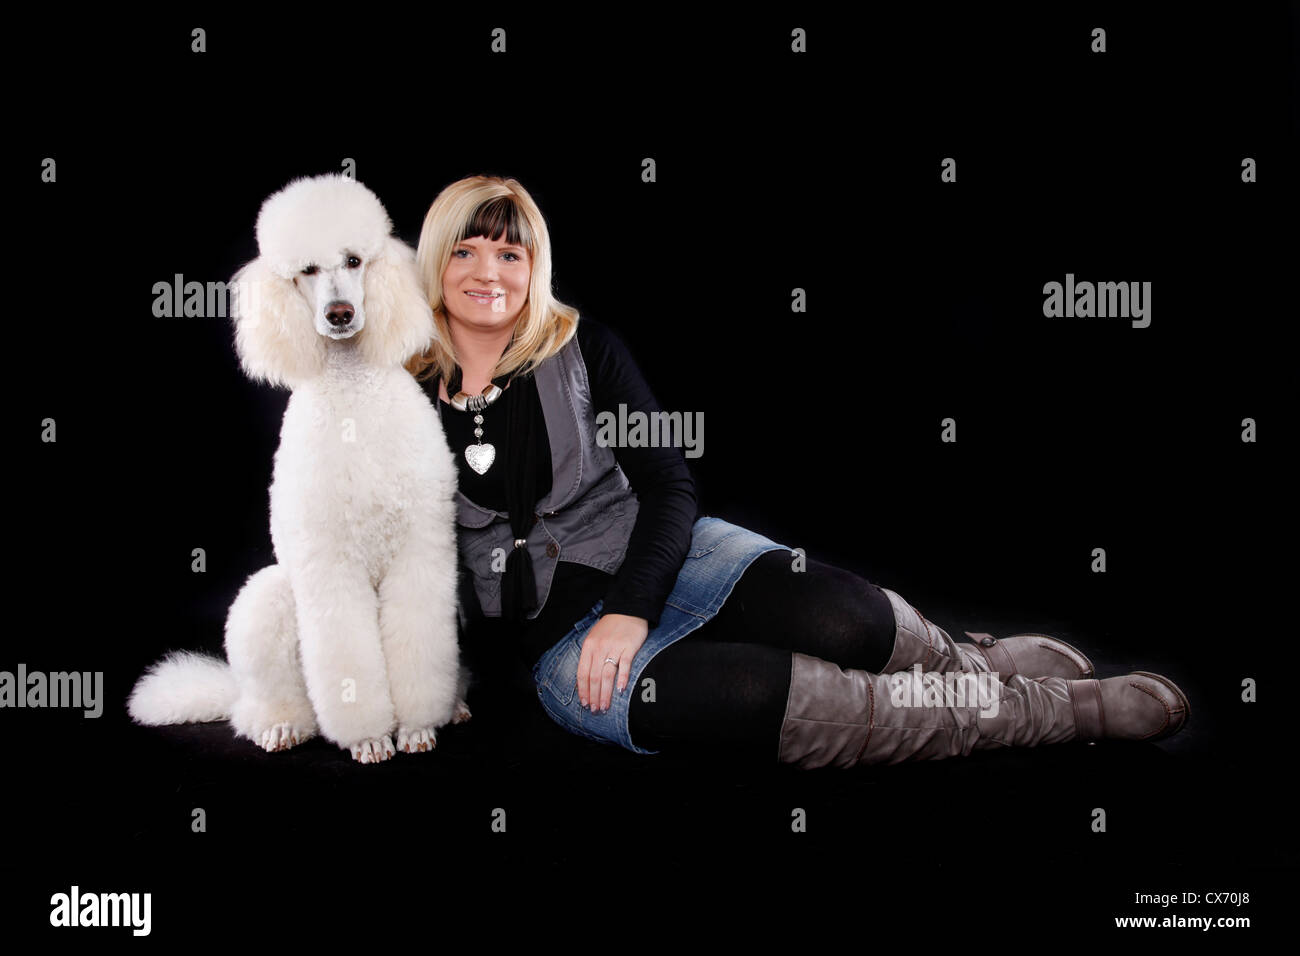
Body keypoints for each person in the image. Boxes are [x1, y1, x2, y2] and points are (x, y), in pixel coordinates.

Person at [404, 175, 1190, 769]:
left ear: (534, 265)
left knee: (851, 623)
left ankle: (971, 664)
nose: (488, 271)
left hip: (673, 559)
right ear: (436, 260)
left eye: (510, 252)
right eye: (466, 250)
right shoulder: (394, 396)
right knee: (771, 697)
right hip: (567, 645)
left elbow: (669, 485)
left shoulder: (587, 347)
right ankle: (1058, 713)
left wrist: (632, 607)